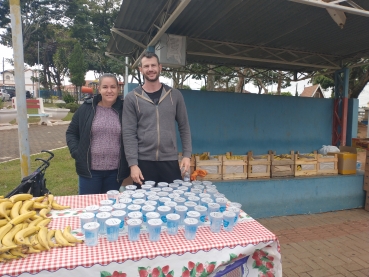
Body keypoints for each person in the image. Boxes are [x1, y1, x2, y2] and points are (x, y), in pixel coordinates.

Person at [122, 51, 192, 187]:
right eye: (146, 66)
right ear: (141, 69)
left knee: (172, 203)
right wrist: (133, 164)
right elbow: (128, 133)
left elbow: (184, 126)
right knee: (143, 203)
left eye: (153, 65)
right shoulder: (132, 98)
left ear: (160, 67)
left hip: (169, 160)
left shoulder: (175, 95)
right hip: (143, 162)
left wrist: (187, 155)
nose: (150, 69)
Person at [66, 73, 130, 194]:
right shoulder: (86, 108)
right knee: (89, 207)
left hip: (115, 173)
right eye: (105, 87)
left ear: (118, 89)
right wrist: (77, 152)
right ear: (99, 89)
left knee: (111, 208)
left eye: (113, 87)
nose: (109, 91)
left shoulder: (125, 109)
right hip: (90, 172)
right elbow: (71, 132)